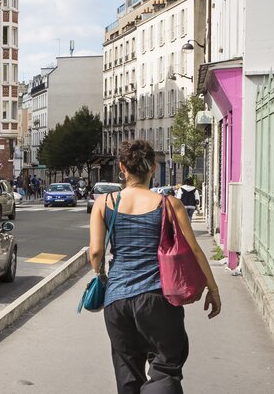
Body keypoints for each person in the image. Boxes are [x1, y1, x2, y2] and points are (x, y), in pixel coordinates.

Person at [88, 139, 221, 393]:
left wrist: (102, 274)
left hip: (117, 299)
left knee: (127, 372)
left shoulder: (104, 203)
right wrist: (212, 289)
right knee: (165, 367)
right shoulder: (169, 204)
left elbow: (96, 252)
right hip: (158, 297)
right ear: (152, 168)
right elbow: (194, 250)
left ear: (122, 167)